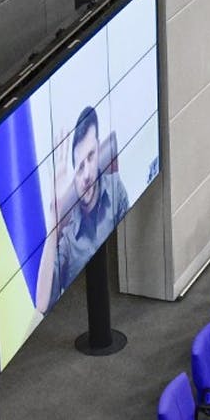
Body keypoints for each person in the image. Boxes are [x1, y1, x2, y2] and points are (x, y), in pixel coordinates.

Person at [37, 106, 130, 312]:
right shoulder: (69, 238)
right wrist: (54, 215)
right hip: (80, 312)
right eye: (79, 167)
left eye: (91, 156)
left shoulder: (115, 188)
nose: (87, 174)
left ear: (98, 150)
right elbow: (42, 304)